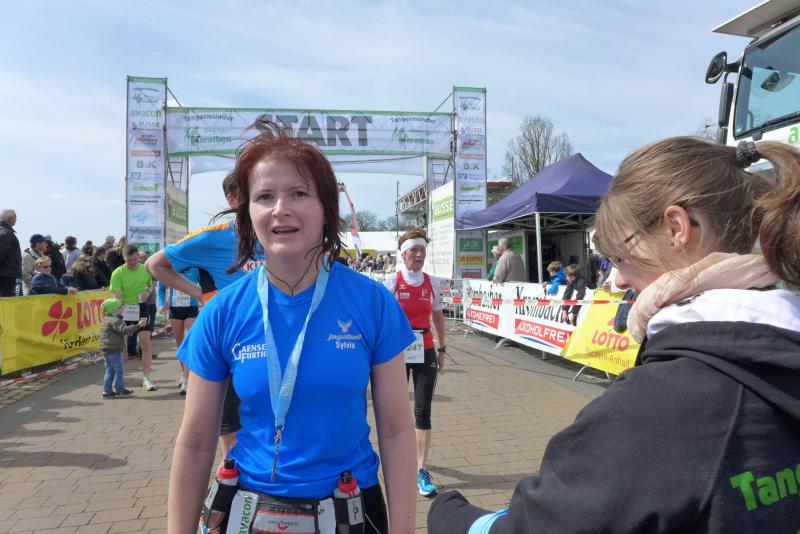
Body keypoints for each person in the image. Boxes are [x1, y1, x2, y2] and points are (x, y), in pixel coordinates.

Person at [427, 137, 800, 533]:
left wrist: (447, 514)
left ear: (676, 228)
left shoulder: (664, 407)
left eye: (618, 256)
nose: (617, 279)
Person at [168, 120, 417, 534]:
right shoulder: (222, 311)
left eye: (299, 193)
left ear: (326, 209)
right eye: (264, 196)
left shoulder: (373, 303)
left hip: (351, 509)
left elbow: (395, 431)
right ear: (248, 213)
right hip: (248, 511)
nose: (280, 208)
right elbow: (195, 442)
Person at [146, 171, 261, 454]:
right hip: (230, 346)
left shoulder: (278, 234)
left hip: (278, 345)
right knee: (233, 444)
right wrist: (200, 293)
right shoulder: (212, 238)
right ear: (232, 200)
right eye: (250, 194)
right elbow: (155, 265)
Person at [384, 228, 446, 497]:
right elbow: (380, 318)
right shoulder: (392, 281)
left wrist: (442, 349)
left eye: (422, 250)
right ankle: (397, 459)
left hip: (426, 348)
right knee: (396, 409)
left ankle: (421, 469)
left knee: (422, 410)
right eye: (414, 250)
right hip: (397, 350)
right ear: (403, 254)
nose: (419, 255)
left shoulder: (432, 283)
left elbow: (438, 317)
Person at [110, 243, 157, 391]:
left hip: (141, 307)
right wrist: (120, 309)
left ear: (138, 256)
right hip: (125, 309)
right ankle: (118, 379)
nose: (132, 262)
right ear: (124, 258)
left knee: (145, 341)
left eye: (135, 259)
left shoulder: (145, 269)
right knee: (120, 345)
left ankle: (147, 378)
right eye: (128, 260)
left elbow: (151, 285)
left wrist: (147, 292)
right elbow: (116, 296)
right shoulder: (117, 273)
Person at [157, 268, 200, 395]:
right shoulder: (168, 269)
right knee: (180, 345)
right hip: (174, 309)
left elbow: (205, 285)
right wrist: (161, 304)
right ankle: (184, 373)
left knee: (188, 341)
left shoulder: (194, 268)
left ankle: (187, 379)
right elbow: (161, 289)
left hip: (191, 308)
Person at [98, 298, 147, 398]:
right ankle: (120, 390)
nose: (122, 308)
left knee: (109, 371)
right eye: (120, 307)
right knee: (119, 371)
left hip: (106, 350)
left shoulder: (106, 319)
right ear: (114, 309)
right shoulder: (115, 320)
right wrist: (138, 325)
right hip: (114, 350)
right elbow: (124, 330)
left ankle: (107, 391)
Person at [0, 209, 21, 297]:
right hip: (7, 278)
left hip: (7, 276)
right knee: (9, 302)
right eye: (15, 217)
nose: (16, 219)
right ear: (9, 219)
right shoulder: (6, 233)